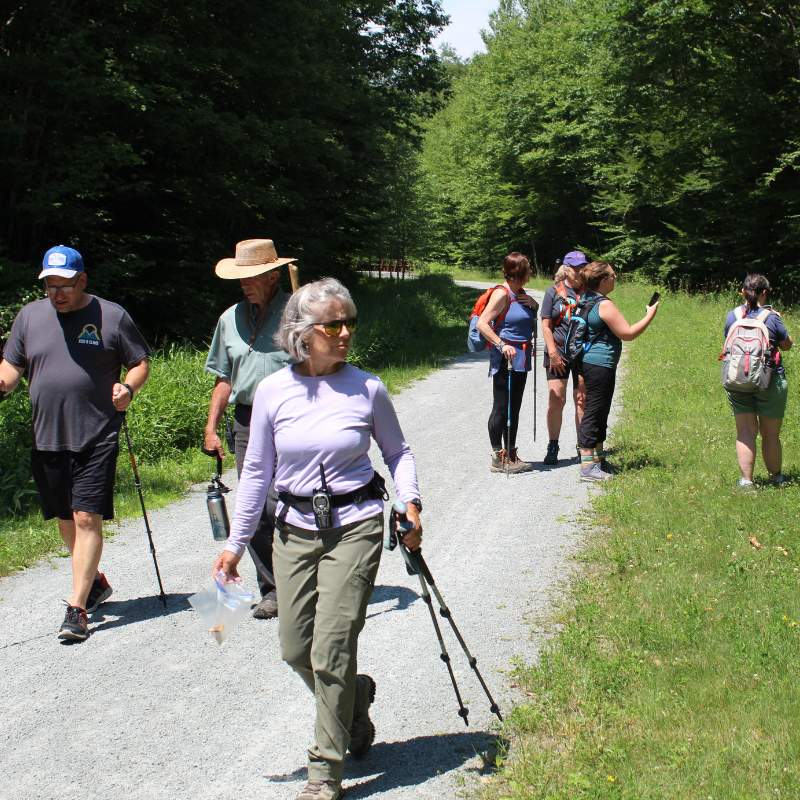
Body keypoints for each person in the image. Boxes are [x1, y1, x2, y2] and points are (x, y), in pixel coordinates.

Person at [213, 277, 422, 800]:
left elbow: (398, 453)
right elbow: (257, 473)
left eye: (350, 322)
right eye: (334, 324)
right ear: (303, 333)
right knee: (294, 648)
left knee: (331, 647)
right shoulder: (272, 391)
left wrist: (409, 501)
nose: (346, 332)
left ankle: (324, 771)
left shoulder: (367, 387)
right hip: (293, 530)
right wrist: (236, 545)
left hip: (356, 526)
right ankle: (355, 699)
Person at [0, 245, 150, 641]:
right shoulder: (29, 316)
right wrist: (2, 382)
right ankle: (95, 583)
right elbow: (12, 366)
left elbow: (140, 361)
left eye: (64, 285)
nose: (57, 293)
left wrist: (128, 388)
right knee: (65, 519)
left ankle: (77, 609)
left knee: (86, 517)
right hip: (47, 436)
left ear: (82, 280)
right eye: (50, 285)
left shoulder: (111, 315)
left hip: (96, 433)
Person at [203, 238, 297, 620]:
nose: (244, 283)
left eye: (251, 277)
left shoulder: (297, 313)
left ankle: (305, 579)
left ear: (273, 276)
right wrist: (211, 426)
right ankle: (272, 589)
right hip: (246, 419)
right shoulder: (229, 319)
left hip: (293, 418)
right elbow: (224, 377)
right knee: (255, 506)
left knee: (289, 500)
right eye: (240, 277)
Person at [577, 261, 658, 482]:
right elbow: (628, 333)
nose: (616, 278)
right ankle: (587, 468)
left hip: (589, 362)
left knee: (600, 410)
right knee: (594, 412)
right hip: (600, 364)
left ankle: (599, 461)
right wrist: (650, 314)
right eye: (613, 275)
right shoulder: (604, 304)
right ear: (603, 280)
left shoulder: (585, 298)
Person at [722, 273, 792, 489]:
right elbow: (787, 345)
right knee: (770, 434)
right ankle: (776, 478)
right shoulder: (771, 318)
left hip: (737, 379)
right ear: (764, 293)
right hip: (769, 380)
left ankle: (746, 481)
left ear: (742, 291)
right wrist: (777, 318)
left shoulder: (732, 316)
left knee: (745, 431)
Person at [477, 252, 539, 474]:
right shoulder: (502, 294)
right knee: (502, 408)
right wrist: (502, 344)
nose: (530, 273)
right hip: (506, 358)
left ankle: (511, 453)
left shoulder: (519, 293)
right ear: (518, 273)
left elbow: (525, 321)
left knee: (515, 407)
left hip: (520, 357)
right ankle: (497, 456)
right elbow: (482, 324)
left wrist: (534, 306)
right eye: (528, 270)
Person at [539, 250, 588, 465]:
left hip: (581, 353)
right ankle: (553, 444)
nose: (579, 271)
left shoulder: (589, 292)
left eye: (582, 267)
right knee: (556, 397)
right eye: (575, 267)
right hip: (557, 351)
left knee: (582, 400)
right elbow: (546, 324)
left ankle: (582, 445)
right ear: (566, 269)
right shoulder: (553, 292)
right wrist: (552, 352)